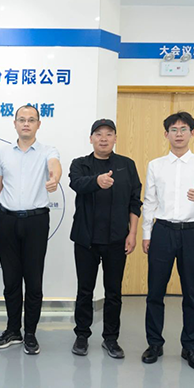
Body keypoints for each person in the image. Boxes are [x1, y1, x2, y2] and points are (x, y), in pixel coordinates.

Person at [141, 111, 194, 371]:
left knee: (191, 292)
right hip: (162, 231)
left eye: (184, 129)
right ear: (166, 134)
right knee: (155, 292)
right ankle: (154, 344)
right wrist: (147, 234)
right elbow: (149, 201)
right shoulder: (156, 165)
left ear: (192, 133)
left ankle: (191, 347)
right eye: (174, 129)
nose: (179, 134)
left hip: (191, 233)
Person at [0, 105, 62, 355]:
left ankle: (30, 333)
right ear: (15, 123)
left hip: (36, 222)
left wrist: (54, 178)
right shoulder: (2, 153)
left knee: (33, 280)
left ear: (38, 124)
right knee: (11, 280)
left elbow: (55, 166)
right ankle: (13, 330)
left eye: (31, 120)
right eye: (22, 119)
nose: (26, 124)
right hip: (7, 221)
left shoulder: (48, 151)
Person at [68, 119, 142, 358]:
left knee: (113, 292)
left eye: (109, 134)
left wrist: (132, 233)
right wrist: (97, 181)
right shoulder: (80, 164)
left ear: (115, 138)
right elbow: (76, 183)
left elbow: (135, 201)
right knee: (85, 290)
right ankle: (82, 335)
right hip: (86, 239)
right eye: (98, 134)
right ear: (91, 139)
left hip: (117, 239)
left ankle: (111, 338)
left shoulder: (126, 165)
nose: (103, 138)